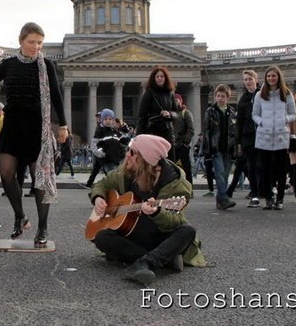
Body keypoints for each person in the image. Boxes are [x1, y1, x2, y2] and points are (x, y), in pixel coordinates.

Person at [0, 22, 67, 247]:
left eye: (39, 42)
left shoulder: (46, 65)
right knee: (6, 172)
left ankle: (42, 227)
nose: (36, 46)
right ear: (21, 41)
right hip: (13, 124)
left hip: (36, 126)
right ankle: (20, 216)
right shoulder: (9, 64)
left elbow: (56, 95)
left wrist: (63, 125)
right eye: (31, 42)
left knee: (40, 178)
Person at [90, 134, 206, 285]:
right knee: (101, 236)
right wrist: (98, 197)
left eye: (132, 152)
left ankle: (144, 263)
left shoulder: (175, 183)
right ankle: (160, 259)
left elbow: (175, 221)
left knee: (188, 231)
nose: (127, 155)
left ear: (144, 159)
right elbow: (102, 184)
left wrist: (157, 212)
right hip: (134, 234)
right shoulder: (126, 171)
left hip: (159, 235)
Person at [252, 66, 296, 210]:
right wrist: (262, 122)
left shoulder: (287, 93)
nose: (271, 78)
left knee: (281, 171)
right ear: (266, 78)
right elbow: (255, 114)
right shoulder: (260, 94)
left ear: (279, 77)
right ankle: (269, 198)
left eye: (274, 76)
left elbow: (293, 114)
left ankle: (280, 199)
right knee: (264, 170)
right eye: (269, 76)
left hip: (281, 136)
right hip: (264, 136)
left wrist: (284, 119)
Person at [202, 84, 237, 210]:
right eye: (218, 96)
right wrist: (207, 149)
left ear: (227, 97)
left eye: (223, 96)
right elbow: (206, 130)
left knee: (226, 174)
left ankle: (220, 201)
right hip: (215, 148)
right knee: (220, 173)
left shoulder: (233, 113)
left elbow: (235, 133)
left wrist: (236, 149)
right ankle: (224, 197)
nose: (220, 98)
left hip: (228, 148)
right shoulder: (210, 111)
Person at [229, 70, 261, 207]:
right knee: (252, 167)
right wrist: (239, 142)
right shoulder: (243, 99)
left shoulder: (263, 95)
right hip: (248, 137)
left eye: (250, 79)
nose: (248, 82)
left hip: (262, 134)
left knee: (263, 166)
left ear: (256, 79)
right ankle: (255, 194)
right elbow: (239, 122)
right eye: (245, 79)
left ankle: (266, 190)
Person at [136, 66, 179, 158]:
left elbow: (176, 112)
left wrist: (170, 114)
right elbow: (142, 116)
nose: (159, 78)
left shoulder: (169, 93)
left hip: (168, 132)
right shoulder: (149, 93)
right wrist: (138, 137)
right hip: (153, 131)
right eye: (157, 76)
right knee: (155, 161)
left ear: (165, 78)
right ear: (153, 79)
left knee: (170, 162)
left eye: (162, 76)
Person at [85, 109, 121, 187]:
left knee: (97, 170)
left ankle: (89, 184)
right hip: (104, 156)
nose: (108, 121)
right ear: (102, 119)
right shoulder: (100, 129)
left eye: (110, 119)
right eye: (105, 119)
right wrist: (101, 153)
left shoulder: (113, 130)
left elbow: (118, 141)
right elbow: (94, 143)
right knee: (109, 173)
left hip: (111, 157)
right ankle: (112, 188)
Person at [172, 94, 195, 185]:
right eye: (174, 100)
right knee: (172, 168)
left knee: (186, 168)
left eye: (177, 100)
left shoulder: (185, 113)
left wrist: (186, 143)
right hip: (173, 145)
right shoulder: (171, 113)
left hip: (182, 145)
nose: (175, 101)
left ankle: (189, 188)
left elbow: (191, 129)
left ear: (181, 101)